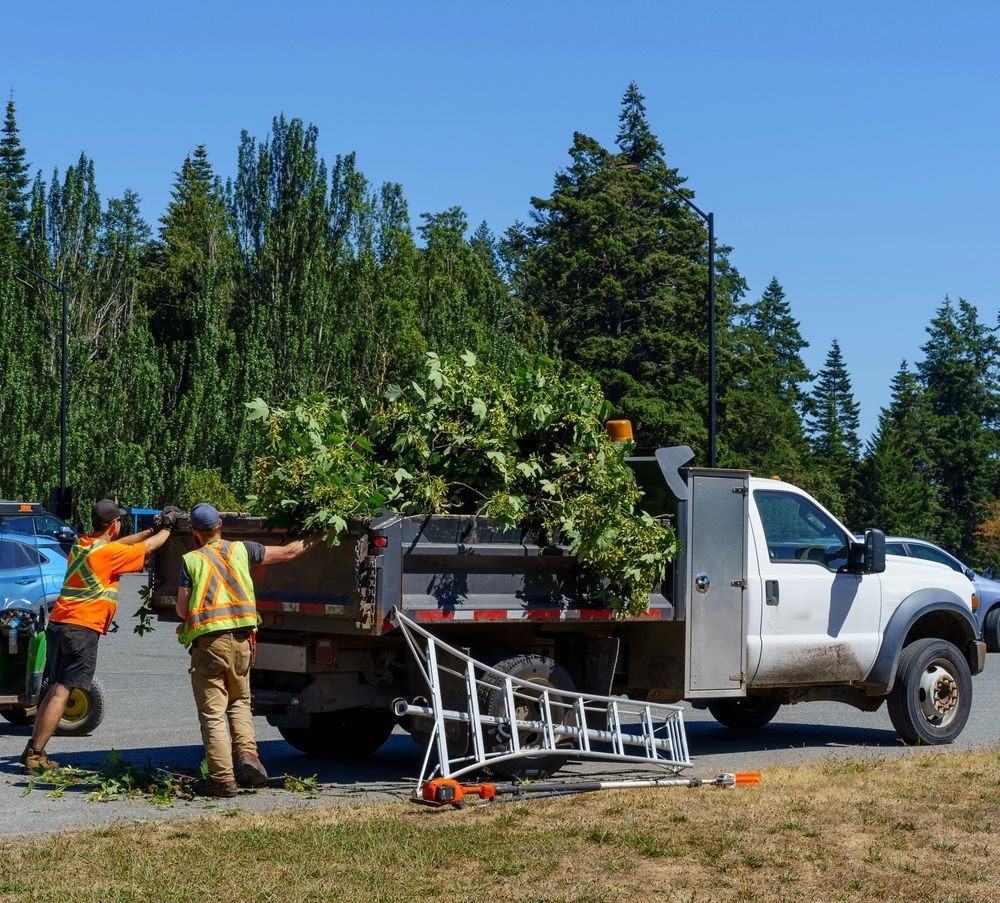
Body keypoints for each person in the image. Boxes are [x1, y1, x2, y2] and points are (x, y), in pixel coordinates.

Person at [21, 500, 177, 773]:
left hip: (59, 624)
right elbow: (146, 549)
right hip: (80, 629)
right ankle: (36, 754)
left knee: (55, 686)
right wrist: (168, 529)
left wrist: (150, 530)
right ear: (114, 524)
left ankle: (33, 746)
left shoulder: (83, 545)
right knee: (62, 690)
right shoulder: (108, 554)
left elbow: (125, 544)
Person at [175, 502, 317, 798]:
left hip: (210, 645)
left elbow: (181, 608)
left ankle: (222, 779)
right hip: (243, 641)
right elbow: (290, 552)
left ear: (194, 532)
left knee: (213, 714)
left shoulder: (191, 561)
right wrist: (322, 532)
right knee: (240, 702)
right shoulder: (242, 550)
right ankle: (248, 757)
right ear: (220, 526)